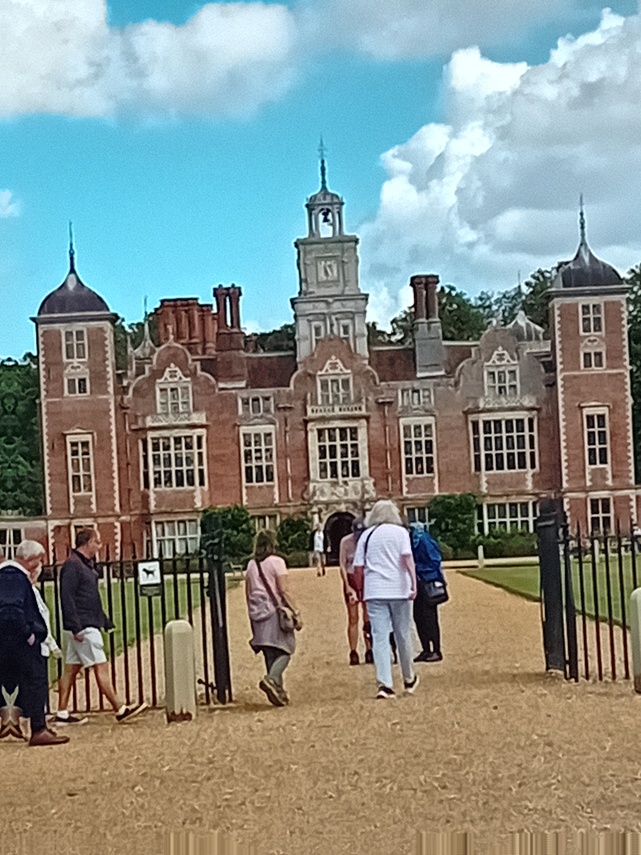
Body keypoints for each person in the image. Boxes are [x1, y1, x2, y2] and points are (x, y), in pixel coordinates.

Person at [56, 528, 148, 725]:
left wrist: (104, 620)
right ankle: (120, 708)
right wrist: (76, 627)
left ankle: (62, 712)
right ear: (88, 542)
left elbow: (90, 597)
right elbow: (67, 597)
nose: (99, 546)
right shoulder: (73, 565)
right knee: (101, 667)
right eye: (97, 542)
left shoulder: (83, 565)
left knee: (70, 669)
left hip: (85, 623)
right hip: (84, 627)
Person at [0, 541, 69, 746]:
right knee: (35, 682)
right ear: (30, 560)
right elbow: (11, 610)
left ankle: (37, 725)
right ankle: (38, 729)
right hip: (21, 643)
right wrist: (29, 635)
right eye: (39, 560)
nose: (41, 565)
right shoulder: (14, 577)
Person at [353, 500, 419, 699]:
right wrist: (413, 583)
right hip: (399, 589)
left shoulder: (367, 535)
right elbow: (407, 560)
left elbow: (357, 567)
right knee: (403, 634)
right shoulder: (401, 533)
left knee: (379, 637)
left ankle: (385, 684)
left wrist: (362, 587)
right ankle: (409, 677)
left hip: (375, 590)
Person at [245, 529, 301, 707]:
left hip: (257, 612)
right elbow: (283, 590)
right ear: (272, 544)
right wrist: (296, 611)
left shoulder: (251, 565)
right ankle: (271, 679)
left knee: (270, 653)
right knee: (286, 650)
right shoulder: (277, 562)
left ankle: (279, 692)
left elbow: (248, 593)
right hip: (273, 612)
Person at [339, 519, 373, 665]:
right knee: (353, 617)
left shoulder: (368, 541)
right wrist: (347, 586)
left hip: (365, 580)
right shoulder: (346, 542)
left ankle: (369, 649)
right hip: (352, 578)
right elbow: (342, 565)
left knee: (368, 618)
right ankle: (353, 651)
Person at [410, 522, 446, 663]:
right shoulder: (414, 542)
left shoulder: (425, 541)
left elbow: (435, 561)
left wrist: (417, 568)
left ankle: (436, 650)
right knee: (418, 617)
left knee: (430, 618)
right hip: (419, 582)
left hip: (428, 582)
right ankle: (426, 649)